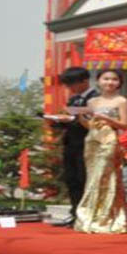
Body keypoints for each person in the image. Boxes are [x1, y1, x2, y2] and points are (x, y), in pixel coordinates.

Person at [74, 70, 127, 234]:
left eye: (114, 79)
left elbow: (125, 125)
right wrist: (80, 117)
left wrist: (106, 119)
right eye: (106, 79)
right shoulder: (92, 101)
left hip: (109, 140)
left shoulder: (121, 101)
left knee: (104, 175)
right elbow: (90, 125)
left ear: (119, 83)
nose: (110, 82)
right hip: (92, 140)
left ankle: (106, 217)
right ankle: (90, 216)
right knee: (92, 177)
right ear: (98, 81)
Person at [48, 67, 98, 227]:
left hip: (87, 144)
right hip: (71, 144)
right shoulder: (73, 99)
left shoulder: (96, 98)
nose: (70, 88)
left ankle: (87, 216)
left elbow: (95, 123)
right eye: (67, 85)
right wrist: (56, 121)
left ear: (85, 81)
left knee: (84, 179)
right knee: (72, 179)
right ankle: (75, 213)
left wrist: (73, 120)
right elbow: (70, 122)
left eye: (72, 84)